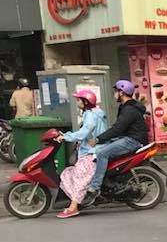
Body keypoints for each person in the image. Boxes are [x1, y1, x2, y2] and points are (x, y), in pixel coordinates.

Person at [86, 80, 149, 195]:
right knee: (104, 147)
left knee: (102, 153)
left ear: (121, 93)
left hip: (133, 140)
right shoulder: (126, 106)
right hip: (128, 137)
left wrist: (98, 139)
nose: (114, 94)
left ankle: (95, 187)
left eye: (116, 91)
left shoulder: (129, 109)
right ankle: (109, 180)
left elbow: (117, 129)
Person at [54, 89, 108, 219]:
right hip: (93, 150)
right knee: (69, 174)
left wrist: (65, 137)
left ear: (86, 102)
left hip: (92, 153)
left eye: (79, 100)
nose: (77, 102)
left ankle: (73, 208)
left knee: (79, 178)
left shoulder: (91, 115)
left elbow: (83, 133)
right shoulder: (95, 113)